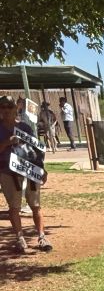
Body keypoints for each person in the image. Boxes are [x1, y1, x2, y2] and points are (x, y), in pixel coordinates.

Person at [0, 95, 53, 253]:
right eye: (3, 107)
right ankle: (20, 238)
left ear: (16, 108)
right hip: (7, 172)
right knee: (14, 207)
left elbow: (36, 151)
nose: (6, 110)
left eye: (9, 107)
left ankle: (42, 237)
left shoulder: (25, 128)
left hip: (29, 171)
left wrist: (41, 168)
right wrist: (7, 142)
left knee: (35, 205)